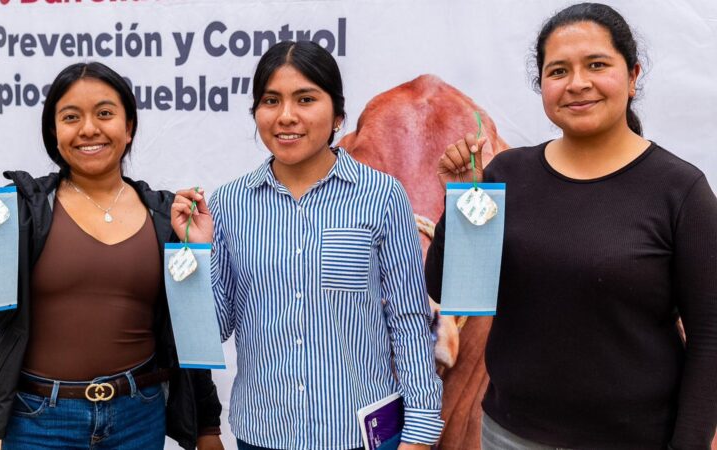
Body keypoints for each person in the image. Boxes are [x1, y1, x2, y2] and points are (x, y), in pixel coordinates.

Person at [425, 3, 717, 449]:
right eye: (558, 71)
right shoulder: (509, 173)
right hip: (509, 436)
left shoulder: (679, 191)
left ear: (634, 75)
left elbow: (709, 337)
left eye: (596, 65)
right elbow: (458, 290)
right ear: (541, 84)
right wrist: (465, 199)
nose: (577, 83)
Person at [172, 40, 443, 450]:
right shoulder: (228, 203)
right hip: (264, 433)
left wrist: (420, 432)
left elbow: (408, 320)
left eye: (305, 99)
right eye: (271, 100)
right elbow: (210, 331)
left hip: (360, 434)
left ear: (337, 114)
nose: (286, 116)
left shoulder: (380, 196)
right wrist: (196, 251)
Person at [0, 62, 223, 450]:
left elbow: (188, 331)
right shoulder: (24, 209)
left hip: (139, 417)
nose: (89, 129)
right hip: (39, 423)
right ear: (53, 131)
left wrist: (207, 428)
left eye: (105, 113)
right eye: (71, 117)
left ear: (128, 127)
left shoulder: (166, 216)